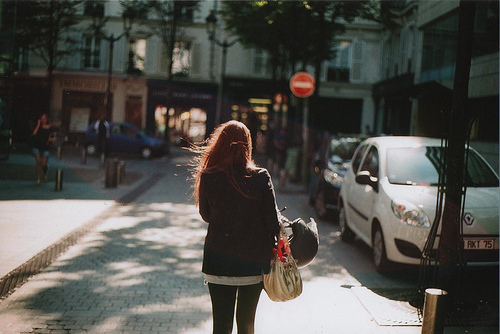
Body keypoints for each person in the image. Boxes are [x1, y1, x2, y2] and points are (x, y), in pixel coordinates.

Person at [192, 120, 281, 334]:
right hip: (252, 264)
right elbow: (273, 224)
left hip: (218, 263)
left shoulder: (208, 175)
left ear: (219, 144)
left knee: (221, 326)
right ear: (248, 146)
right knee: (246, 324)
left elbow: (206, 216)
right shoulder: (260, 177)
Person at [32, 114, 56, 185]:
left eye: (44, 118)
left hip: (45, 148)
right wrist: (38, 124)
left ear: (47, 119)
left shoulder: (50, 128)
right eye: (41, 118)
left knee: (44, 164)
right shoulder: (39, 127)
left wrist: (51, 139)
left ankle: (45, 173)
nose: (43, 120)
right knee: (38, 163)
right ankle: (38, 178)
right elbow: (34, 133)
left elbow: (54, 137)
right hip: (37, 147)